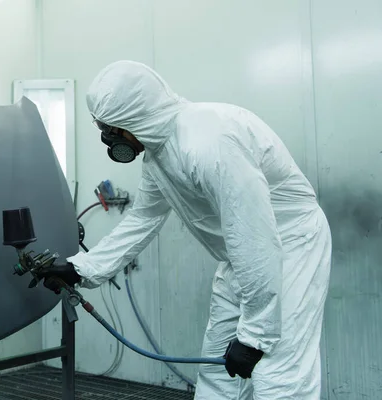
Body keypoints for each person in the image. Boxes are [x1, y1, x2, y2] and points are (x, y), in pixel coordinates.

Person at [37, 60, 332, 399]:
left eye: (113, 129)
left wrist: (255, 336)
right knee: (219, 369)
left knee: (277, 372)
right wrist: (80, 269)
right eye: (102, 127)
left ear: (136, 117)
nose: (108, 139)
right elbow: (142, 219)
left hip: (292, 247)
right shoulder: (159, 154)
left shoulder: (210, 142)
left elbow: (256, 239)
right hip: (244, 260)